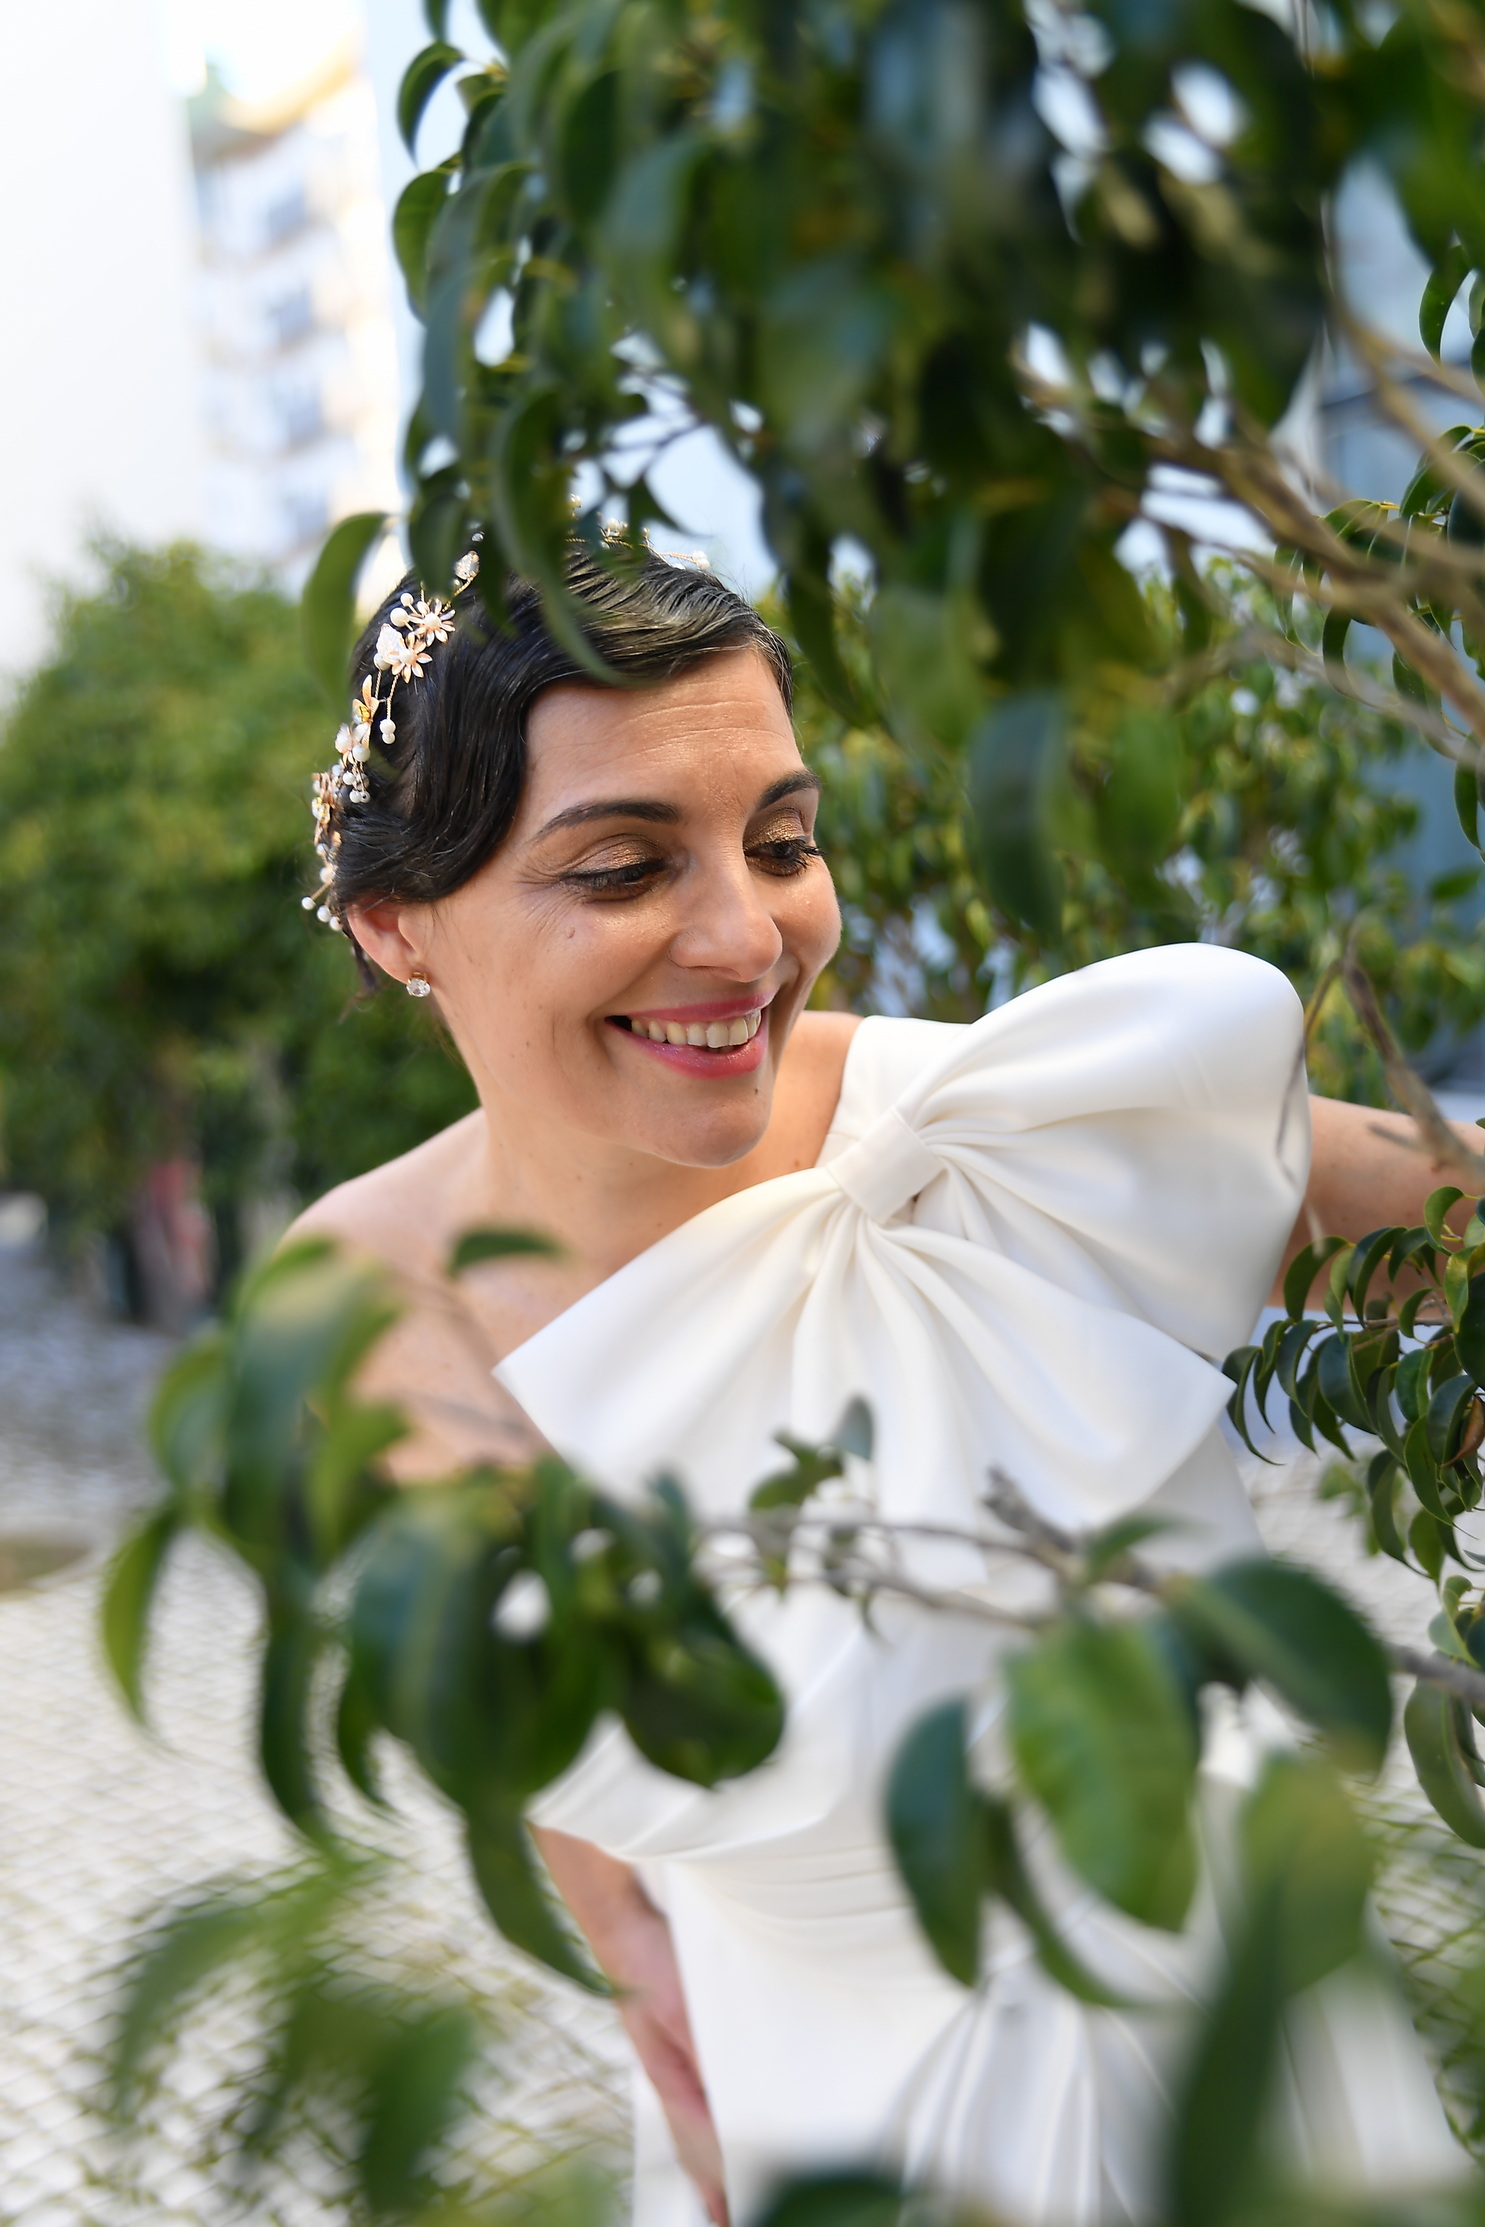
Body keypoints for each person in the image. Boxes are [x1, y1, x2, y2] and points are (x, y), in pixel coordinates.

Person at [293, 538, 1469, 2227]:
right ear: (398, 924)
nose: (746, 936)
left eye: (782, 843)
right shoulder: (353, 1316)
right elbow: (528, 1719)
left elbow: (1450, 1231)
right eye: (622, 868)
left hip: (1216, 2065)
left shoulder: (994, 1142)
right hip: (792, 2100)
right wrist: (651, 1995)